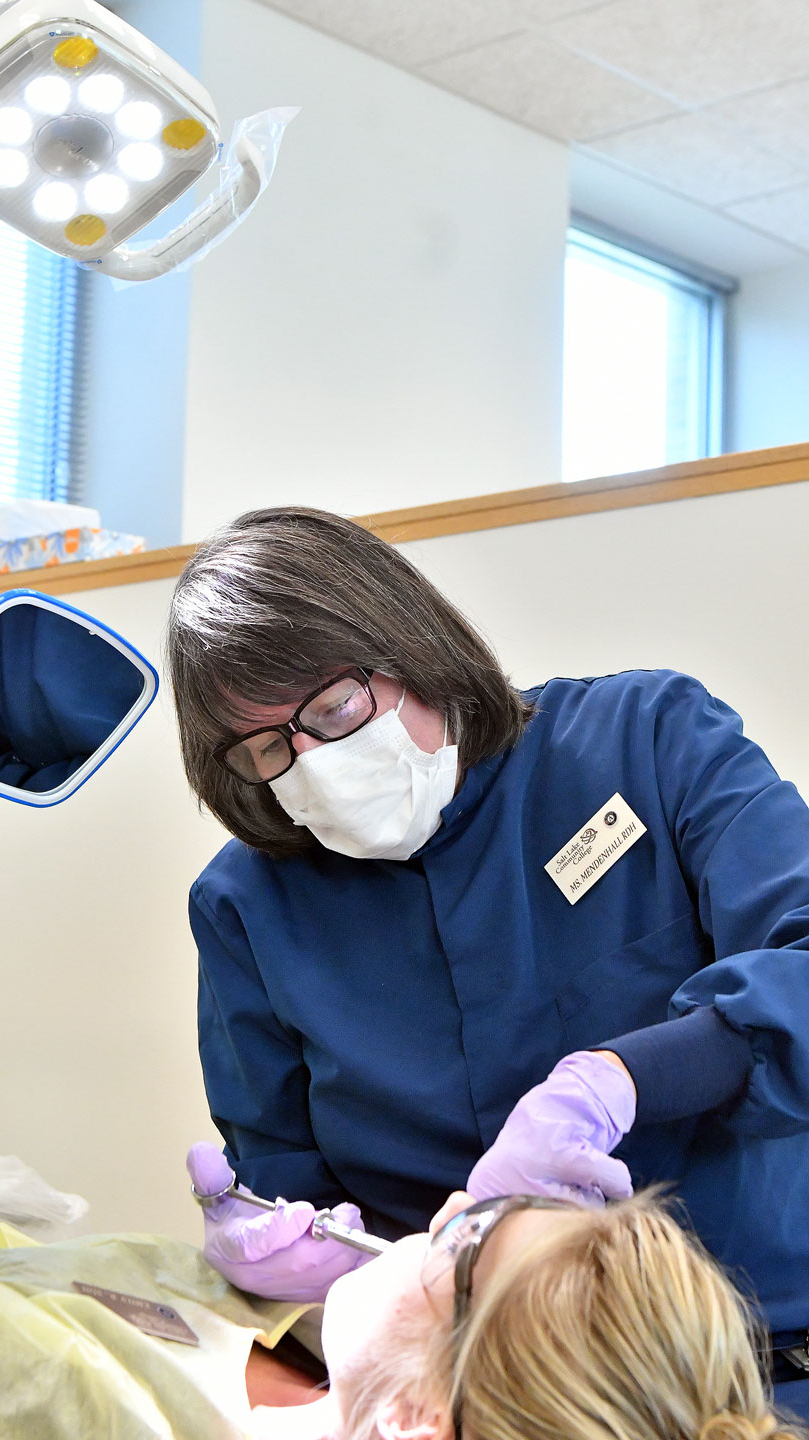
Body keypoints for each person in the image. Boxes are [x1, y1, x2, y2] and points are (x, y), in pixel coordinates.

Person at [0, 806, 805, 1440]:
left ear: (418, 1419)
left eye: (466, 1240)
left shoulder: (47, 1399)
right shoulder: (322, 1372)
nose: (444, 1208)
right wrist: (297, 1303)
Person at [167, 505, 809, 1418]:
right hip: (500, 1403)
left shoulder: (645, 741)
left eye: (335, 708)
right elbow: (287, 1178)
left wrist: (619, 1081)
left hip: (770, 1359)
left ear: (409, 644)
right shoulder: (246, 908)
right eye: (269, 748)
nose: (315, 762)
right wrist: (299, 1265)